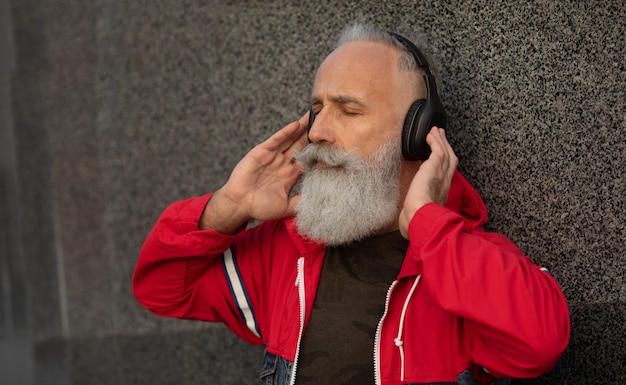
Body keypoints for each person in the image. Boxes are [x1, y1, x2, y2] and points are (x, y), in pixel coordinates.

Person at [133, 23, 570, 385]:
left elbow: (540, 342)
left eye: (348, 109)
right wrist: (229, 206)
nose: (318, 131)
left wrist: (428, 224)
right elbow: (162, 289)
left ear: (417, 134)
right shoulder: (284, 252)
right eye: (317, 108)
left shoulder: (465, 259)